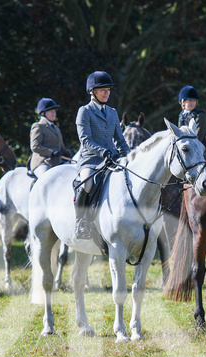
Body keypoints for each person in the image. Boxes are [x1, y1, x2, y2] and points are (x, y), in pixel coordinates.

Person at [74, 71, 130, 239]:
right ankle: (81, 222)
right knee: (87, 185)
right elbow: (85, 140)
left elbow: (120, 139)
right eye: (102, 90)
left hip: (111, 158)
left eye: (108, 90)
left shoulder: (112, 112)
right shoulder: (84, 111)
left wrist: (129, 157)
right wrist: (103, 152)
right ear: (93, 92)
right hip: (90, 160)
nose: (107, 93)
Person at [29, 98, 73, 178]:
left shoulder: (56, 128)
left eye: (54, 111)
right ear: (43, 113)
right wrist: (51, 152)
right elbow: (35, 146)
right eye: (51, 111)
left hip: (56, 162)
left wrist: (67, 152)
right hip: (42, 162)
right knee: (46, 179)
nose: (54, 113)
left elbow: (61, 147)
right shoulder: (38, 126)